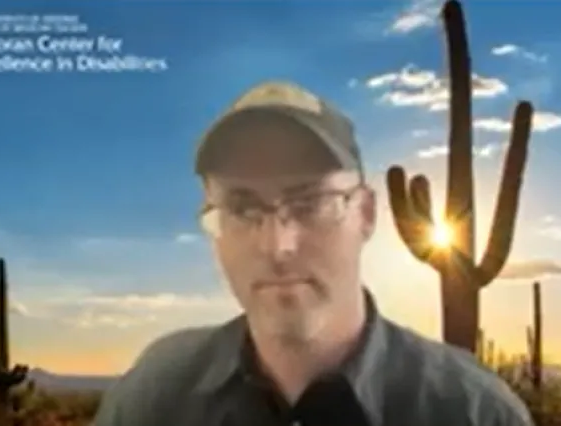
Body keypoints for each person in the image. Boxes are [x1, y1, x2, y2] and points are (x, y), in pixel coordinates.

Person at [92, 81, 534, 426]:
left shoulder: (472, 413)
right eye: (242, 208)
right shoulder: (156, 398)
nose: (277, 246)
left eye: (311, 204)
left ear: (365, 214)